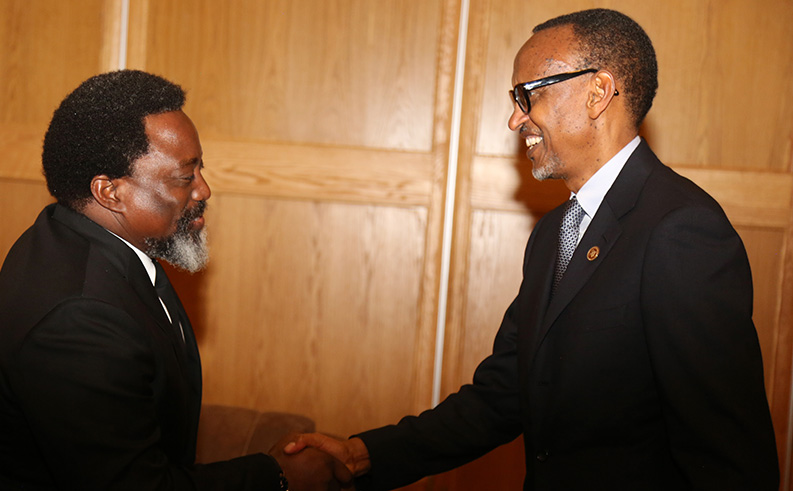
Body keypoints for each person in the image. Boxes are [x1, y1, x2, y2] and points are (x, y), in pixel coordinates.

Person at [286, 8, 779, 490]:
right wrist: (362, 455)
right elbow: (505, 393)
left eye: (527, 96)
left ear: (597, 93)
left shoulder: (683, 230)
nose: (514, 119)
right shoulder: (554, 233)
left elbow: (730, 460)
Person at [0, 70, 351, 490]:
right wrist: (277, 476)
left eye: (200, 169)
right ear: (110, 192)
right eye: (185, 177)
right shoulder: (79, 317)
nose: (203, 190)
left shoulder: (73, 236)